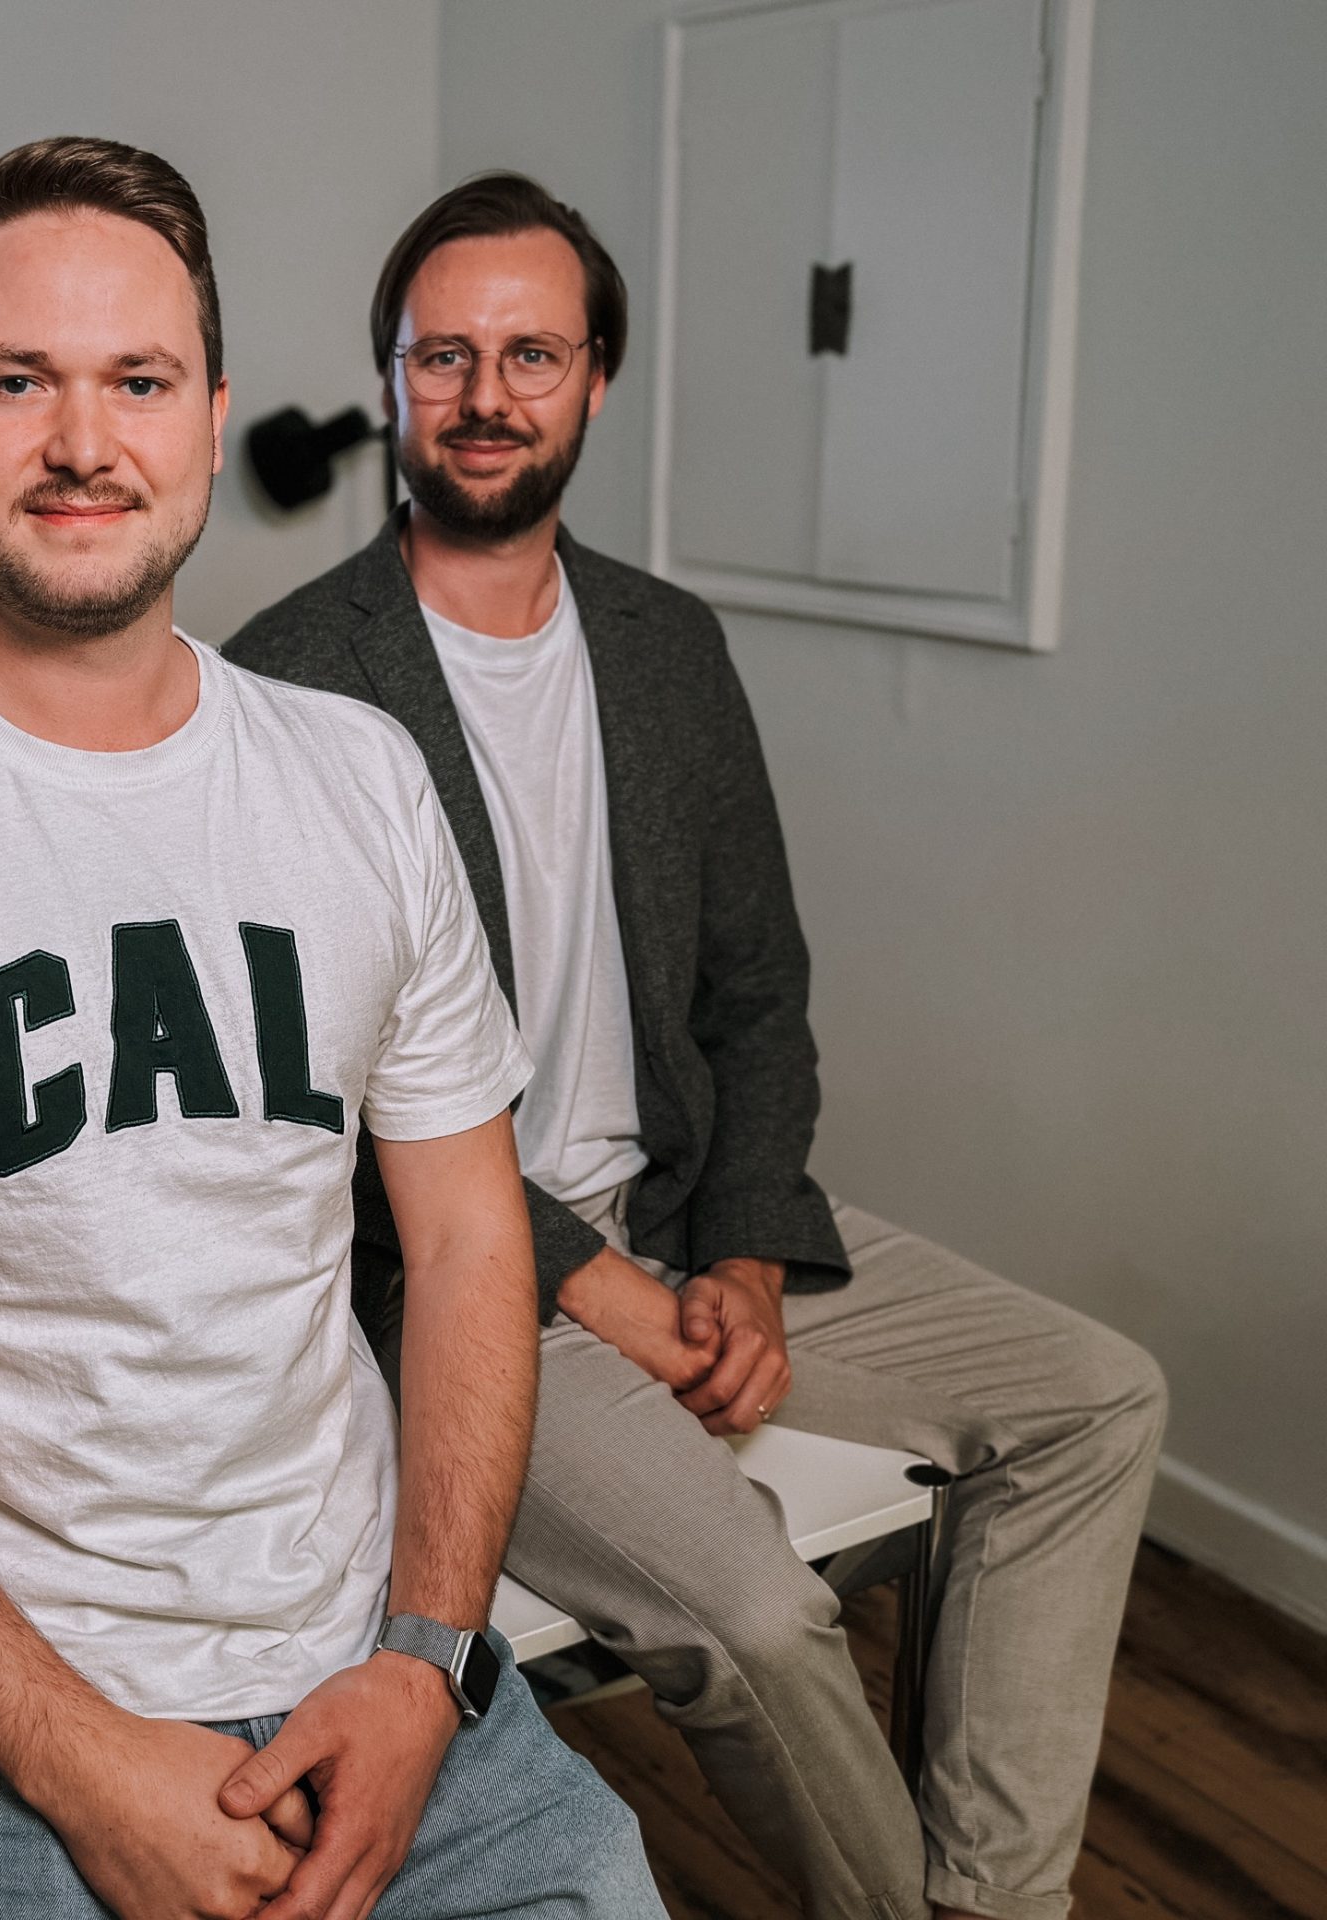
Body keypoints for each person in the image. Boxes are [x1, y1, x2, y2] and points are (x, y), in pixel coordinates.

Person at [0, 137, 662, 1920]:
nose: (83, 445)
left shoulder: (359, 777)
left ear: (210, 412)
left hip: (380, 1689)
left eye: (138, 383)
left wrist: (425, 1663)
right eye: (18, 382)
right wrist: (81, 1762)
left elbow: (475, 1238)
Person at [224, 172, 1168, 1920]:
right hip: (451, 1280)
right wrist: (610, 1296)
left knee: (1098, 1399)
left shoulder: (668, 645)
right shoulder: (289, 685)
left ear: (598, 382)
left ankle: (988, 1899)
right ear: (387, 385)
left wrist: (737, 1251)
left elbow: (758, 990)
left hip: (681, 1211)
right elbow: (321, 1103)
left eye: (531, 355)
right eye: (444, 357)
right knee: (752, 1610)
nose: (486, 396)